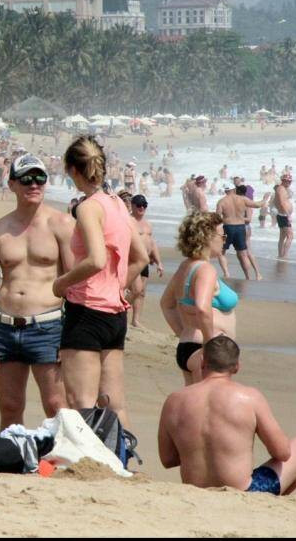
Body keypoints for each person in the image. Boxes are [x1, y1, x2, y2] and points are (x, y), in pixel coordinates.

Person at [52, 136, 146, 428]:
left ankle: (88, 455)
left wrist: (61, 283)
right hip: (114, 313)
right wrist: (117, 286)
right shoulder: (117, 204)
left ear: (73, 170)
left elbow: (95, 259)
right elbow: (140, 257)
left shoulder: (89, 207)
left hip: (87, 311)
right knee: (115, 403)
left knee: (81, 402)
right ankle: (123, 453)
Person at [0, 155, 73, 428]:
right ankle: (12, 454)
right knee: (9, 407)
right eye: (26, 179)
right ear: (12, 184)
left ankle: (59, 455)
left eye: (40, 178)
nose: (34, 184)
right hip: (5, 328)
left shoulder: (62, 224)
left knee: (56, 406)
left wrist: (69, 336)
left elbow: (75, 285)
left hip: (48, 327)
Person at [158, 336, 296, 495]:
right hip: (244, 491)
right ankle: (274, 500)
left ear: (202, 361)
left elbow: (168, 460)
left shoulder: (174, 400)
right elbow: (282, 453)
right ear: (237, 366)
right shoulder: (250, 398)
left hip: (195, 490)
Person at [159, 212, 238, 385]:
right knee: (208, 400)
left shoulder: (185, 266)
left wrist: (183, 332)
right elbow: (202, 308)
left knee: (194, 398)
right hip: (204, 348)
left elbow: (166, 304)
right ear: (207, 237)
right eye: (222, 236)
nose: (224, 240)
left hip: (188, 345)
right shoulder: (205, 270)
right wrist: (210, 348)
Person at [215, 183, 266, 281]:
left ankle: (226, 273)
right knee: (242, 254)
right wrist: (264, 199)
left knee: (221, 252)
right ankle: (247, 276)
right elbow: (257, 205)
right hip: (240, 228)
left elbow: (217, 218)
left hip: (227, 228)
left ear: (225, 191)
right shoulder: (242, 199)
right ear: (234, 190)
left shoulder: (222, 201)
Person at [127, 195, 163, 328]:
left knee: (142, 293)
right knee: (136, 290)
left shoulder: (148, 224)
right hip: (133, 260)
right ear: (132, 205)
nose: (142, 207)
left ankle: (135, 320)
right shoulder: (128, 221)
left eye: (144, 205)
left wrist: (158, 262)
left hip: (146, 261)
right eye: (138, 205)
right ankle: (118, 311)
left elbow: (152, 243)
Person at [275, 173, 294, 258]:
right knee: (290, 236)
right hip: (284, 215)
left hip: (282, 215)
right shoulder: (281, 189)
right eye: (287, 181)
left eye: (290, 181)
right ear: (283, 181)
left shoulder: (281, 188)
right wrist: (288, 215)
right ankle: (284, 255)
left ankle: (280, 255)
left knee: (282, 237)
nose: (289, 183)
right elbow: (282, 203)